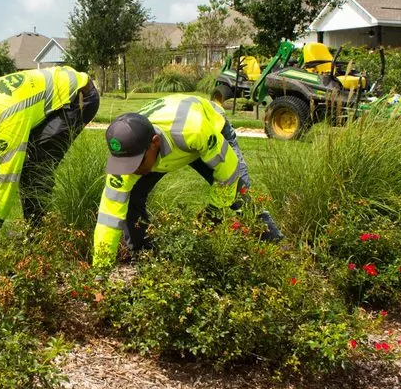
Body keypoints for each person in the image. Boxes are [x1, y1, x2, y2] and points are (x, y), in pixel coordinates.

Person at [92, 93, 283, 269]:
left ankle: (278, 253)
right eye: (126, 165)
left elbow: (228, 172)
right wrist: (100, 269)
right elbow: (109, 217)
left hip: (207, 130)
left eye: (137, 162)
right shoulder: (126, 156)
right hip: (172, 142)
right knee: (131, 198)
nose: (132, 171)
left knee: (241, 196)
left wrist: (214, 211)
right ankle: (144, 259)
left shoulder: (194, 129)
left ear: (155, 142)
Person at [0, 65, 100, 247]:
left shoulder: (8, 117)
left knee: (36, 167)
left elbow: (8, 177)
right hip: (67, 90)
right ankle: (36, 230)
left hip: (80, 99)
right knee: (31, 164)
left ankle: (40, 236)